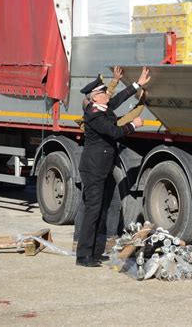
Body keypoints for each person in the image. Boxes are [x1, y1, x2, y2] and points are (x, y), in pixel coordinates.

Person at [76, 67, 151, 267]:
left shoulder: (103, 108)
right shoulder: (94, 115)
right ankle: (83, 255)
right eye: (103, 93)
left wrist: (138, 84)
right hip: (93, 169)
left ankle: (90, 252)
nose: (107, 95)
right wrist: (134, 125)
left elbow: (118, 99)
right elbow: (114, 132)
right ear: (95, 98)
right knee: (93, 211)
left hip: (101, 167)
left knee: (97, 209)